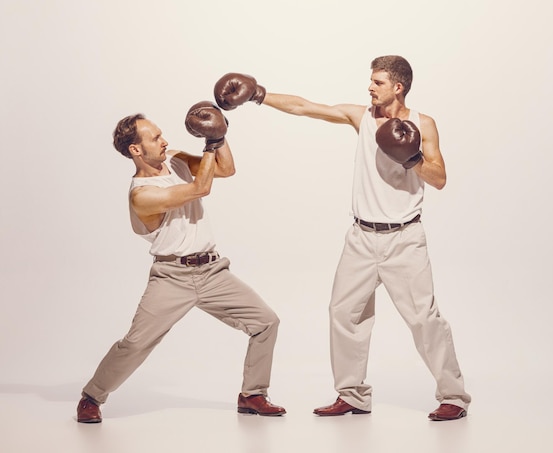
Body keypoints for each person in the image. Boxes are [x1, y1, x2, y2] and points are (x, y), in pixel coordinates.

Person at [212, 56, 471, 421]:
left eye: (377, 82)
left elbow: (440, 178)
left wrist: (411, 159)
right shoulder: (360, 116)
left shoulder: (423, 123)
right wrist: (258, 94)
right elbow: (306, 108)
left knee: (425, 320)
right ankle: (352, 394)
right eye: (371, 81)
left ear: (398, 87)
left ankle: (454, 397)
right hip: (361, 237)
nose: (370, 87)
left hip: (404, 239)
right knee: (343, 313)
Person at [76, 101, 286, 423]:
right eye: (155, 137)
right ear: (135, 149)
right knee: (134, 344)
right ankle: (92, 396)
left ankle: (252, 394)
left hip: (213, 271)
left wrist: (219, 137)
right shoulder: (141, 194)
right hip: (172, 277)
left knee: (266, 321)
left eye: (161, 134)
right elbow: (200, 188)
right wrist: (208, 141)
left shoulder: (175, 160)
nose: (164, 141)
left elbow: (226, 170)